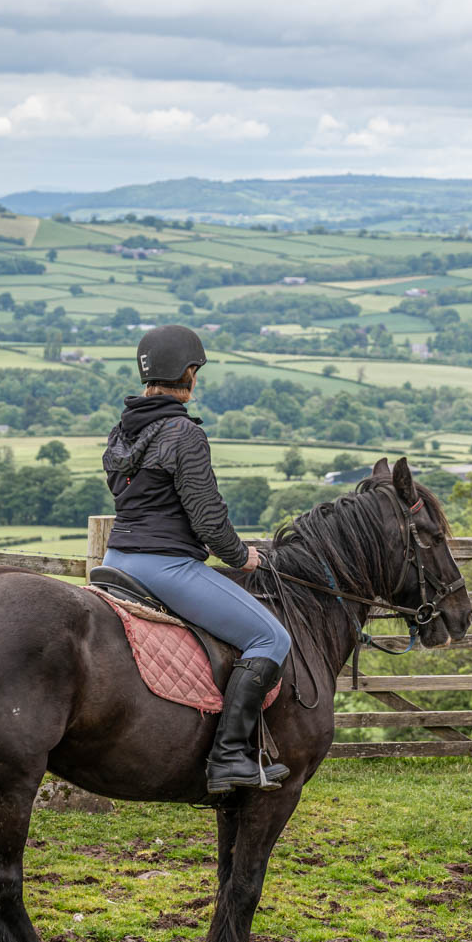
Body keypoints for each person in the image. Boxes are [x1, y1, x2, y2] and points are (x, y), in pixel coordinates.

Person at [102, 325, 292, 793]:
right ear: (189, 373)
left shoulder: (122, 431)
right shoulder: (183, 433)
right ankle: (228, 757)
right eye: (197, 371)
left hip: (116, 559)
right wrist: (242, 556)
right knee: (270, 637)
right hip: (164, 566)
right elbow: (208, 519)